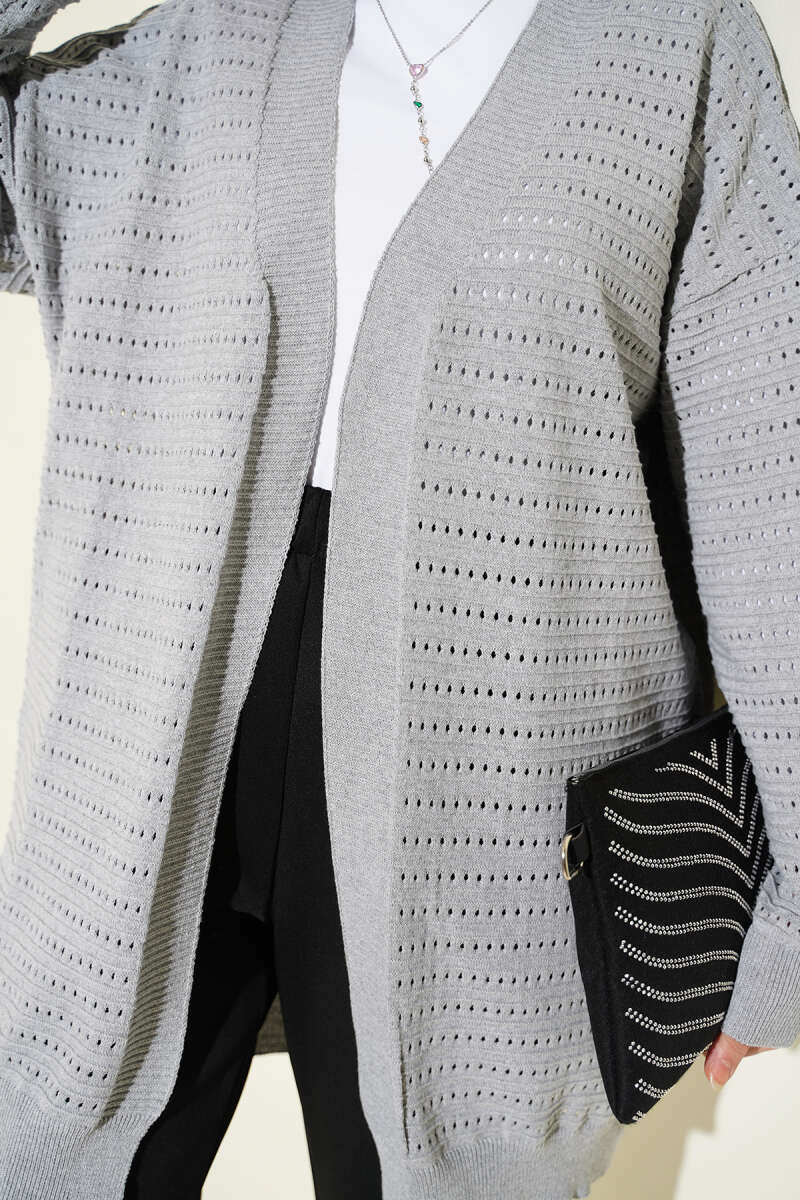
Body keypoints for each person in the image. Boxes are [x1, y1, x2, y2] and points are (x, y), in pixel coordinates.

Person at [1, 2, 800, 1198]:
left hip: (490, 787)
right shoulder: (199, 39)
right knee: (59, 1147)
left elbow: (769, 485)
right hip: (152, 742)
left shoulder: (674, 45)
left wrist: (791, 917)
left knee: (441, 1161)